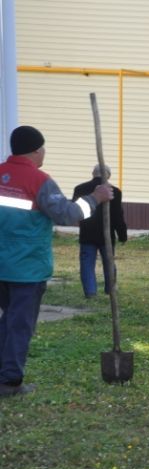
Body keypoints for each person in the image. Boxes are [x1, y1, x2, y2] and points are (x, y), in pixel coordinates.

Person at [0, 125, 113, 398]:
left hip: (2, 266)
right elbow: (68, 214)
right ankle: (10, 381)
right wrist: (95, 199)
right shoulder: (39, 180)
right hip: (27, 268)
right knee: (19, 325)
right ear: (37, 150)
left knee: (7, 321)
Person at [72, 164, 128, 299]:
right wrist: (122, 235)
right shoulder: (114, 191)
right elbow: (117, 216)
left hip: (87, 233)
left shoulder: (80, 189)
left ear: (93, 173)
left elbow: (75, 211)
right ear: (108, 175)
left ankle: (90, 292)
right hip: (106, 234)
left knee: (87, 263)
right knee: (109, 262)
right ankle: (110, 289)